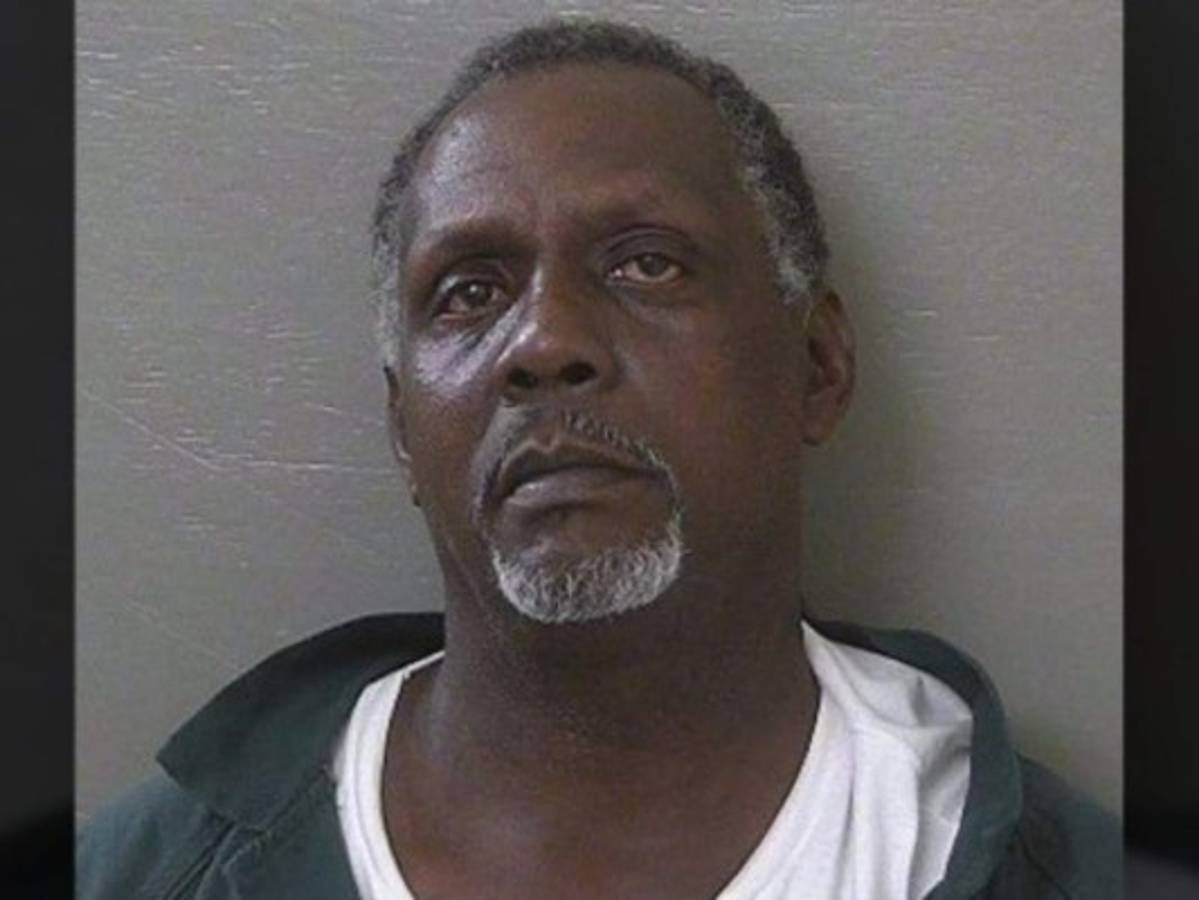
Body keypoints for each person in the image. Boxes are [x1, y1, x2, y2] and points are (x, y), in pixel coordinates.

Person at [77, 18, 1119, 899]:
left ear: (816, 366)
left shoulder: (1053, 871)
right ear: (403, 428)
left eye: (645, 264)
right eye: (470, 291)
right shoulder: (145, 874)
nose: (544, 342)